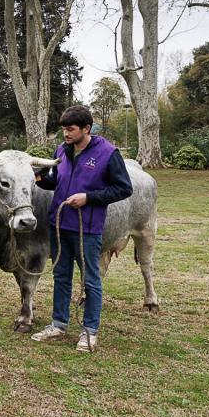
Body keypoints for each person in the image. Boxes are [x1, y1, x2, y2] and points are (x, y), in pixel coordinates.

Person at [31, 105, 133, 352]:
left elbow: (124, 188)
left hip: (87, 228)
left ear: (86, 129)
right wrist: (37, 177)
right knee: (61, 276)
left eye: (71, 129)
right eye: (63, 129)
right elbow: (56, 180)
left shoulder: (108, 153)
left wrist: (88, 198)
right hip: (59, 224)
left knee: (91, 280)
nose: (65, 134)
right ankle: (58, 324)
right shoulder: (62, 151)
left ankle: (89, 332)